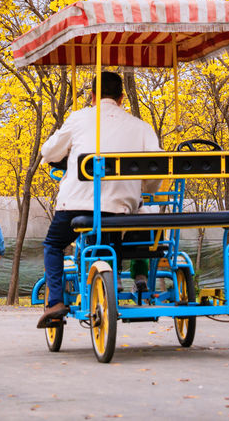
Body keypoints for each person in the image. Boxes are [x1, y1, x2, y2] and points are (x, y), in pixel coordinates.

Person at [37, 70, 160, 328]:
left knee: (53, 244)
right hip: (119, 209)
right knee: (111, 238)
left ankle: (56, 301)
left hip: (76, 205)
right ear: (122, 98)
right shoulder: (141, 127)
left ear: (92, 96)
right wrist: (141, 190)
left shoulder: (78, 119)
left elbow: (49, 152)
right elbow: (157, 168)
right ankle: (109, 291)